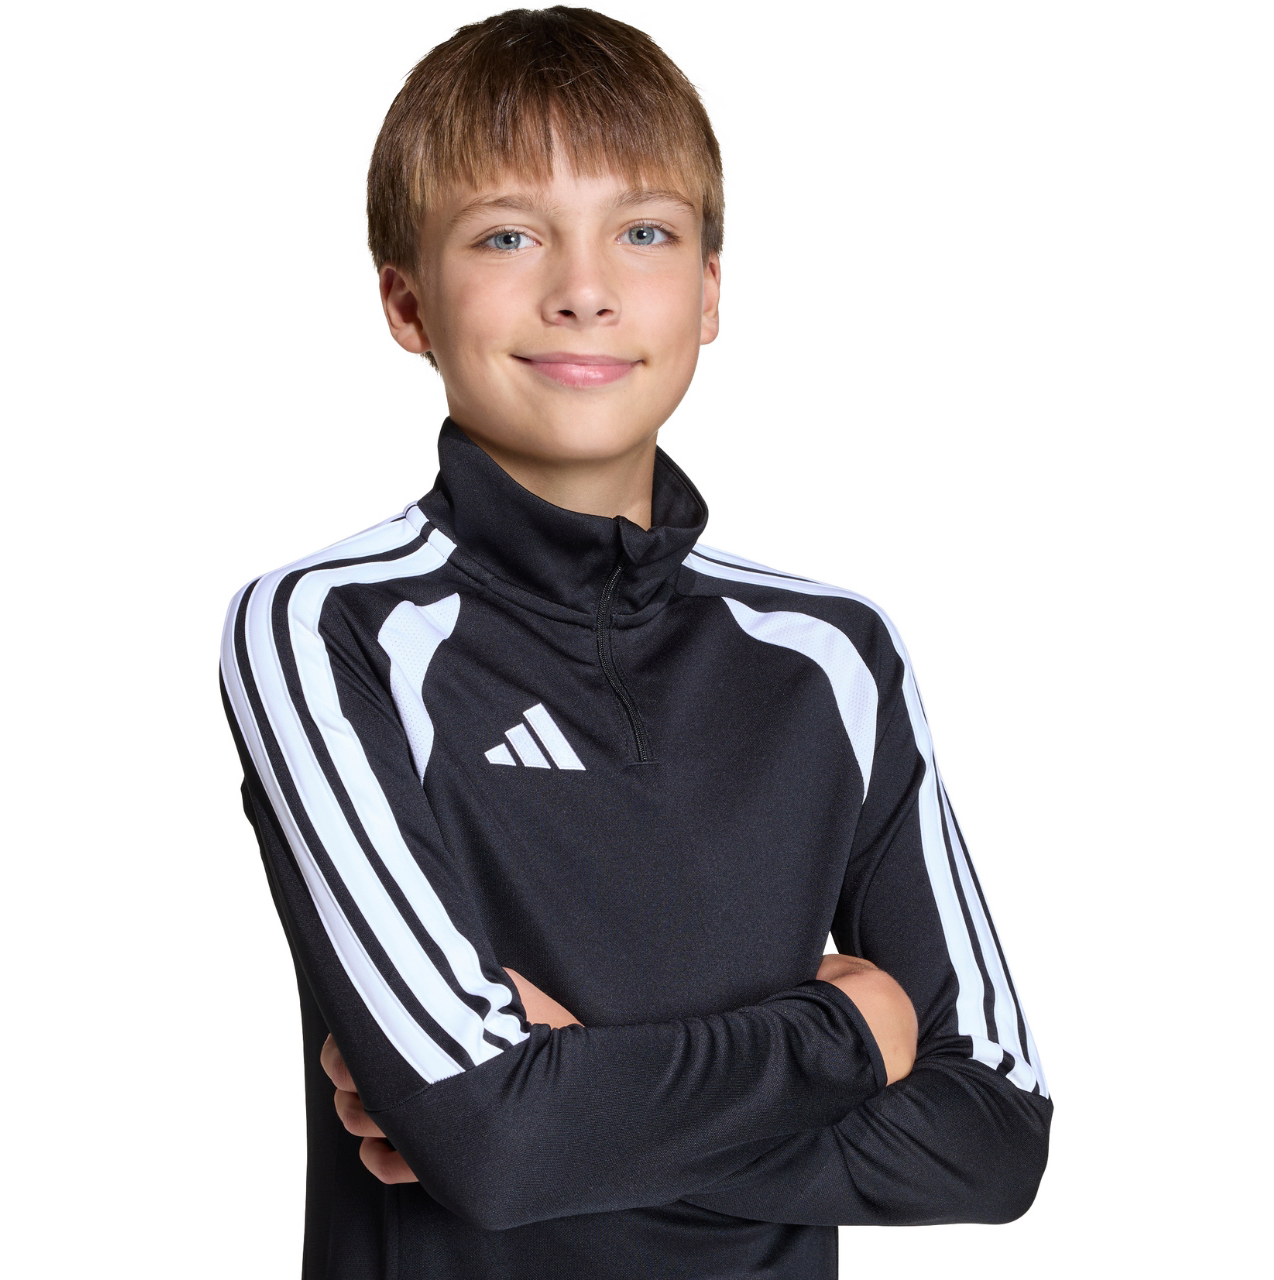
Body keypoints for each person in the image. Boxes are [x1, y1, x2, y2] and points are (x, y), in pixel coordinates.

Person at [219, 7, 1052, 1277]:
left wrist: (566, 1107)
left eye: (645, 232)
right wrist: (844, 1029)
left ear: (708, 292)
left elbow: (990, 1136)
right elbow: (493, 1141)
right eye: (507, 235)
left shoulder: (833, 653)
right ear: (406, 299)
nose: (584, 288)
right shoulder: (329, 625)